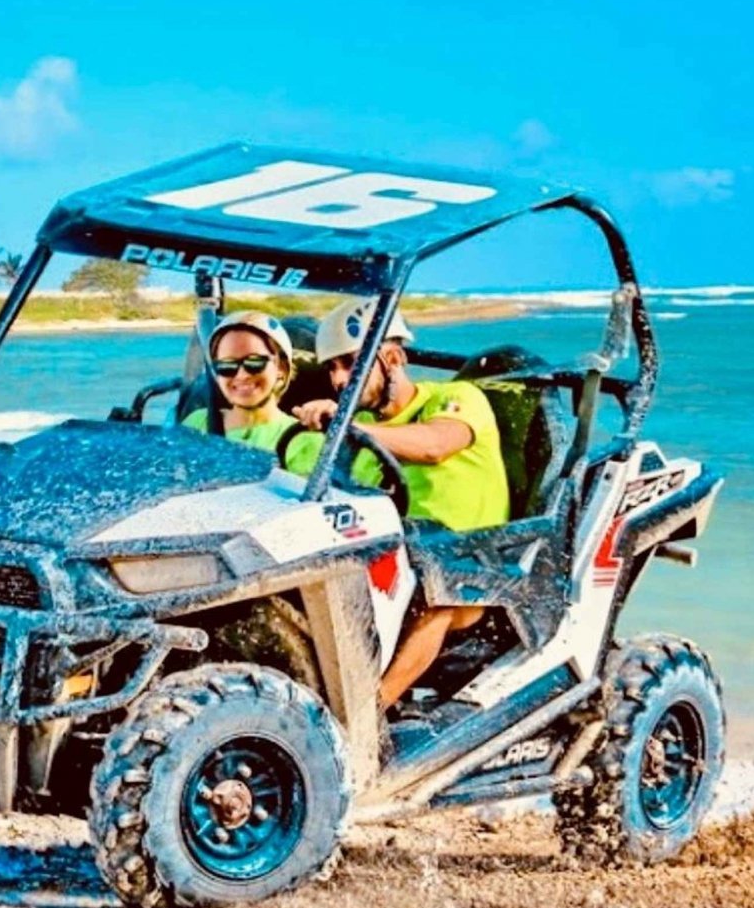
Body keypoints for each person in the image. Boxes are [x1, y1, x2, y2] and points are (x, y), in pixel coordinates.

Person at [292, 297, 510, 709]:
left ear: (392, 357)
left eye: (350, 365)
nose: (339, 381)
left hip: (468, 565)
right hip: (396, 562)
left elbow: (435, 445)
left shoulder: (454, 397)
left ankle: (364, 719)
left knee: (435, 589)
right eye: (332, 369)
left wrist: (343, 425)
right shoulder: (365, 431)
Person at [181, 310, 299, 450]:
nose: (242, 375)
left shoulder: (297, 438)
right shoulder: (197, 422)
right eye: (227, 366)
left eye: (254, 363)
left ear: (281, 368)